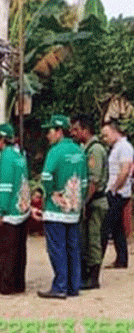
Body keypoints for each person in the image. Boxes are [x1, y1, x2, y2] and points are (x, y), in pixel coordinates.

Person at [34, 114, 87, 299]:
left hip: (56, 210)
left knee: (57, 249)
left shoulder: (55, 151)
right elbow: (85, 182)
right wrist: (78, 201)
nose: (47, 135)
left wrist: (50, 193)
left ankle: (60, 286)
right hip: (73, 210)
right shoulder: (79, 151)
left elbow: (46, 177)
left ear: (58, 131)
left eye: (49, 131)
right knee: (73, 248)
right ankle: (74, 286)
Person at [0, 123, 30, 295]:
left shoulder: (6, 156)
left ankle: (7, 286)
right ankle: (19, 284)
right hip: (22, 209)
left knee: (6, 252)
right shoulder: (19, 155)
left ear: (1, 139)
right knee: (20, 251)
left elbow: (5, 187)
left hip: (10, 213)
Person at [70, 114, 109, 289]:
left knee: (93, 239)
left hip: (95, 201)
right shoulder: (86, 148)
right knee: (85, 239)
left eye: (76, 129)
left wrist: (84, 203)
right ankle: (86, 274)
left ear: (85, 130)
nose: (73, 132)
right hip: (91, 201)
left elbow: (93, 182)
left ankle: (93, 278)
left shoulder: (95, 150)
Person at [100, 119, 133, 269]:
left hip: (118, 192)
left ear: (115, 132)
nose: (104, 139)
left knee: (105, 226)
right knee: (117, 227)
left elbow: (125, 170)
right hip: (116, 190)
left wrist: (114, 188)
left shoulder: (125, 147)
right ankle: (122, 259)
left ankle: (96, 258)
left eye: (106, 135)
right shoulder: (116, 147)